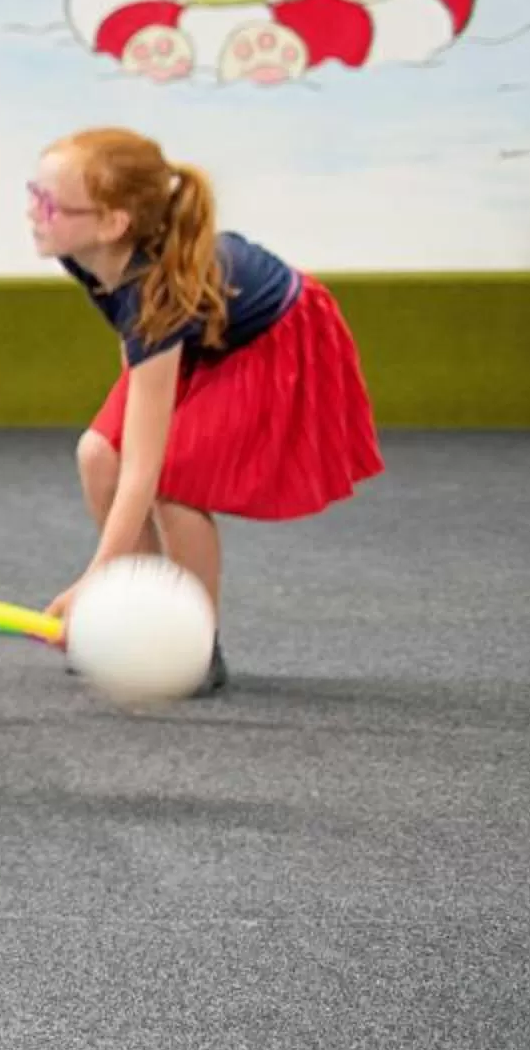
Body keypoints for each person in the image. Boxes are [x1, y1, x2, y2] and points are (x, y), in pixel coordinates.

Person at [28, 126, 384, 686]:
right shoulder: (84, 251)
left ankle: (193, 645)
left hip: (268, 339)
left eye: (49, 203)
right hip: (190, 334)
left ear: (113, 223)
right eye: (33, 194)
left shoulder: (154, 288)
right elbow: (135, 341)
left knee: (176, 482)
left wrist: (92, 578)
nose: (33, 212)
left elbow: (145, 464)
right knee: (98, 455)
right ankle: (135, 623)